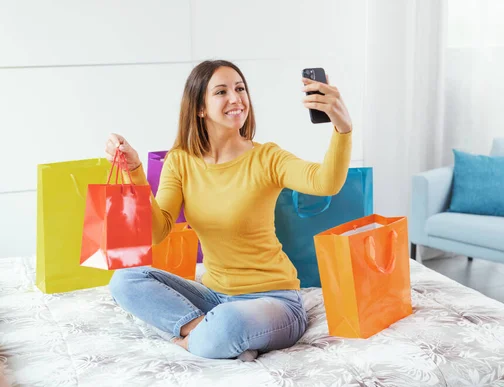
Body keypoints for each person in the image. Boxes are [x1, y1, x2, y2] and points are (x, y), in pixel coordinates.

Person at [105, 60, 352, 361]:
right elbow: (158, 232)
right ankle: (205, 334)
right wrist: (135, 172)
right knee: (125, 281)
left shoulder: (266, 158)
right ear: (199, 108)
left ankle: (196, 337)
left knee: (229, 322)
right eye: (221, 91)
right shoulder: (181, 160)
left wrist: (343, 128)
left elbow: (326, 182)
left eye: (240, 89)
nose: (236, 98)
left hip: (274, 300)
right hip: (214, 297)